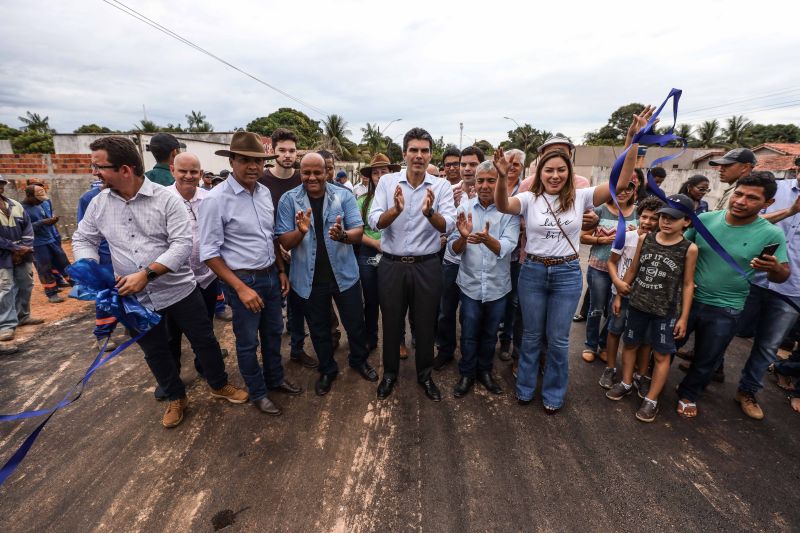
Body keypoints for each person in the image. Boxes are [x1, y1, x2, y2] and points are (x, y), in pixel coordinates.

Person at [73, 136, 248, 428]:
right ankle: (175, 396)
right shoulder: (99, 203)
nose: (95, 172)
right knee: (155, 350)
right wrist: (94, 268)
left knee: (204, 340)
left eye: (100, 166)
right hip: (133, 299)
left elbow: (181, 245)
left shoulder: (166, 200)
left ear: (125, 169)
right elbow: (83, 238)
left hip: (179, 290)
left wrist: (146, 274)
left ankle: (218, 384)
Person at [495, 107, 642, 413]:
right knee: (532, 335)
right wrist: (500, 177)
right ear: (540, 172)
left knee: (559, 340)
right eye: (549, 170)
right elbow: (502, 204)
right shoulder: (527, 197)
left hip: (566, 275)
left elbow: (620, 180)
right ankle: (524, 388)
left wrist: (632, 140)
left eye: (561, 169)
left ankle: (553, 393)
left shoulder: (582, 196)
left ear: (568, 171)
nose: (555, 175)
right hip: (532, 271)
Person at [199, 131, 300, 416]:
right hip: (242, 280)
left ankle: (275, 379)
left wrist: (280, 270)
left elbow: (270, 237)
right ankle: (257, 392)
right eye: (245, 160)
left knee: (273, 332)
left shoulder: (264, 192)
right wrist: (240, 288)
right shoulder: (215, 199)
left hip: (270, 274)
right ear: (232, 160)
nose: (253, 166)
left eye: (258, 161)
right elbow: (209, 252)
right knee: (246, 341)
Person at [676, 173, 789, 419]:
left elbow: (782, 275)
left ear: (767, 203)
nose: (740, 201)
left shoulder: (772, 235)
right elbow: (679, 250)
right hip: (686, 300)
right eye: (738, 194)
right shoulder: (704, 219)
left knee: (708, 357)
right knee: (665, 345)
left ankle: (689, 394)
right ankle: (648, 381)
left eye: (752, 198)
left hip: (727, 307)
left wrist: (774, 268)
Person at [276, 153, 377, 395]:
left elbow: (357, 230)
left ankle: (358, 360)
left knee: (355, 323)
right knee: (319, 329)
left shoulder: (343, 195)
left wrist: (342, 235)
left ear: (327, 172)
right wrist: (300, 231)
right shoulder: (288, 200)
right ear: (301, 172)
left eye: (317, 172)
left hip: (344, 275)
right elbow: (284, 241)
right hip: (309, 281)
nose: (312, 177)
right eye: (306, 172)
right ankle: (327, 369)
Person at [368, 127, 456, 401]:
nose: (419, 156)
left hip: (427, 265)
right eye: (414, 150)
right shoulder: (387, 183)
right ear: (404, 153)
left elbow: (449, 225)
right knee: (392, 323)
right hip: (392, 264)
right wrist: (395, 210)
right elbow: (374, 220)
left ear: (430, 155)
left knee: (426, 323)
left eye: (425, 151)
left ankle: (425, 376)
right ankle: (390, 375)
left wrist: (430, 213)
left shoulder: (440, 186)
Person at [606, 194, 698, 423]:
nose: (666, 222)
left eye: (673, 218)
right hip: (637, 304)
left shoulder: (689, 248)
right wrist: (619, 295)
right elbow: (633, 269)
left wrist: (684, 317)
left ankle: (652, 399)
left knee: (662, 354)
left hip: (665, 312)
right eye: (663, 217)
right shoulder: (645, 239)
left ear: (686, 221)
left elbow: (687, 284)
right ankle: (627, 382)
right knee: (630, 344)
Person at [730, 169, 800, 419]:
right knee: (725, 329)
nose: (742, 199)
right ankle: (703, 376)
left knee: (768, 345)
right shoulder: (772, 190)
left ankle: (747, 391)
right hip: (752, 279)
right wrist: (790, 212)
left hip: (793, 289)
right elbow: (743, 221)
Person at [449, 160, 519, 397]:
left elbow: (509, 246)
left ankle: (485, 371)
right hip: (469, 285)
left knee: (490, 334)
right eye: (481, 181)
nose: (486, 185)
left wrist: (488, 240)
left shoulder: (508, 210)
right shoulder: (463, 209)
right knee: (468, 332)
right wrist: (463, 237)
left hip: (498, 287)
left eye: (492, 180)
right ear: (474, 184)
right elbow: (453, 250)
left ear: (498, 181)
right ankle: (467, 373)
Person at [258, 128, 316, 369]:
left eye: (292, 150)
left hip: (301, 251)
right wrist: (278, 248)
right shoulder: (262, 181)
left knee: (300, 305)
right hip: (271, 253)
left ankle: (297, 349)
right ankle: (270, 363)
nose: (288, 155)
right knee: (272, 312)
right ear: (273, 151)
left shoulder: (302, 178)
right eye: (282, 150)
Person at [598, 196, 662, 391]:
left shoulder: (661, 243)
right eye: (644, 217)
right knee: (614, 330)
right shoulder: (626, 236)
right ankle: (610, 368)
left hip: (645, 300)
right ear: (638, 216)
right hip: (622, 296)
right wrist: (617, 283)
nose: (647, 222)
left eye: (653, 218)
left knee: (643, 339)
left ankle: (640, 375)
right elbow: (612, 262)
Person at [580, 172, 639, 363]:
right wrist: (601, 239)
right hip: (599, 267)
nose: (623, 192)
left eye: (628, 188)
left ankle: (604, 344)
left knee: (613, 310)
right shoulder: (599, 210)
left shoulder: (638, 213)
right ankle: (590, 345)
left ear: (634, 191)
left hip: (624, 273)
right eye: (620, 188)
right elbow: (582, 236)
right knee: (596, 308)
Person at [434, 145, 484, 370]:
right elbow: (439, 225)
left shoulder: (488, 192)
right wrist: (455, 208)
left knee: (470, 315)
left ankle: (469, 356)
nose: (466, 168)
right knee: (446, 310)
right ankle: (445, 351)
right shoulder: (449, 190)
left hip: (477, 264)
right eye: (463, 164)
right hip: (452, 261)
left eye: (472, 164)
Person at [356, 153, 400, 352]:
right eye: (376, 172)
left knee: (394, 301)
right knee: (371, 300)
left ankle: (398, 341)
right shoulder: (362, 201)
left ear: (391, 173)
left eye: (384, 171)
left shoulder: (400, 200)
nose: (380, 176)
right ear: (371, 176)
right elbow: (357, 232)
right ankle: (371, 337)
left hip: (395, 254)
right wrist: (375, 243)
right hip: (368, 253)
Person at [76, 178, 118, 351]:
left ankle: (135, 325)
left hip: (129, 255)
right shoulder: (90, 198)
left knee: (132, 292)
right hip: (105, 255)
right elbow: (85, 233)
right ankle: (103, 333)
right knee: (106, 295)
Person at [0, 175, 40, 349]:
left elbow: (28, 228)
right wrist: (14, 249)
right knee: (5, 288)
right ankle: (6, 325)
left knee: (26, 283)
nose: (0, 187)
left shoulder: (15, 205)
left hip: (23, 253)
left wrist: (24, 248)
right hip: (3, 256)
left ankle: (23, 315)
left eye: (1, 184)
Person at [498, 148, 525, 362]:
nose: (511, 167)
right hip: (490, 254)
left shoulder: (525, 190)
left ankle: (506, 340)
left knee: (513, 301)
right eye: (508, 163)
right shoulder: (492, 182)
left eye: (516, 164)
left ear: (522, 168)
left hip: (516, 255)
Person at [22, 185, 70, 304]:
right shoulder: (21, 209)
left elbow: (43, 221)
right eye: (38, 198)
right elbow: (24, 228)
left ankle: (79, 286)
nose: (40, 201)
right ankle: (51, 293)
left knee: (64, 263)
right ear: (29, 196)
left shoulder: (38, 206)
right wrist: (43, 222)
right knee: (45, 268)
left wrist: (51, 221)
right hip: (37, 244)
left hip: (50, 239)